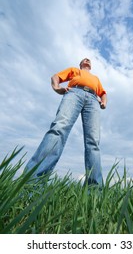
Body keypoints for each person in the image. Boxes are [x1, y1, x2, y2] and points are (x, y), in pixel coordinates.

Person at [24, 58, 107, 186]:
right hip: (74, 92)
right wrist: (56, 87)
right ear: (81, 64)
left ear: (90, 66)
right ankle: (33, 182)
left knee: (93, 141)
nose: (87, 60)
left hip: (92, 99)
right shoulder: (74, 70)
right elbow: (55, 76)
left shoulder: (95, 78)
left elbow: (103, 93)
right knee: (58, 129)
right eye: (84, 60)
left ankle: (94, 191)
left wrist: (103, 101)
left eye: (89, 60)